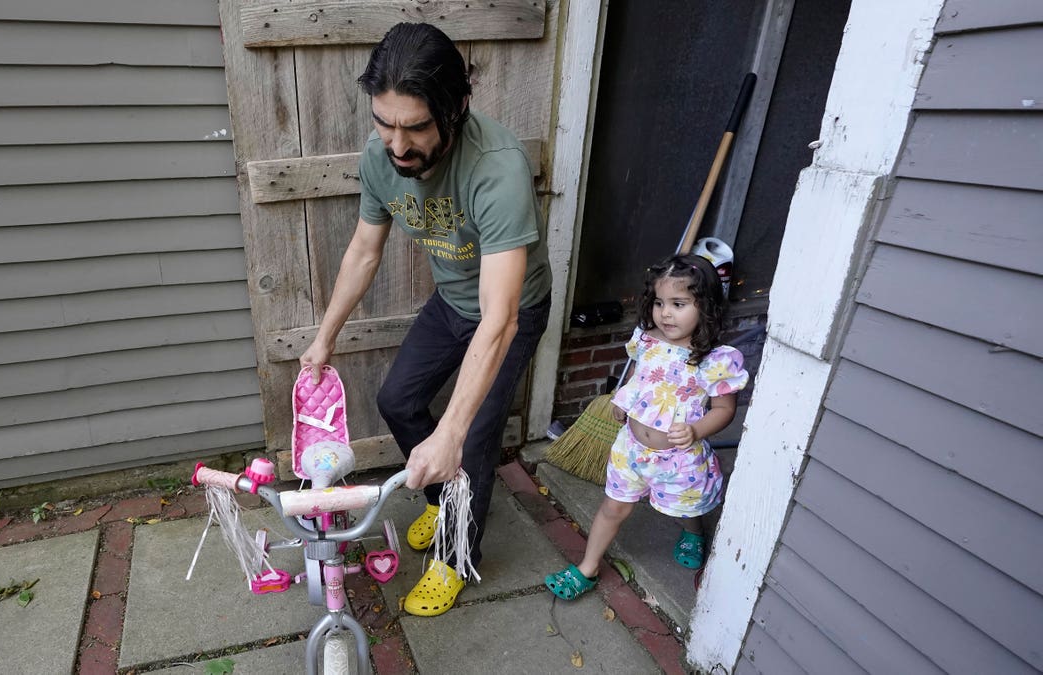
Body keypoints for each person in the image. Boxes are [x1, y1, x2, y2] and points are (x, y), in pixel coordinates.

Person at [298, 22, 552, 617]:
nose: (397, 145)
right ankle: (444, 498)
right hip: (451, 303)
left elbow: (500, 319)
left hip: (508, 313)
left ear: (457, 108)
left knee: (474, 441)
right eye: (384, 123)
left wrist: (454, 432)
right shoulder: (380, 155)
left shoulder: (498, 169)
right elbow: (364, 250)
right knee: (397, 400)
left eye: (415, 127)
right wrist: (323, 338)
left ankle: (455, 555)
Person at [544, 254, 748, 600]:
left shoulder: (716, 360)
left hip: (678, 458)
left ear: (707, 306)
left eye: (678, 303)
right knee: (613, 507)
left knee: (685, 507)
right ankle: (587, 567)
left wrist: (697, 430)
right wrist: (625, 401)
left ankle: (693, 531)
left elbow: (725, 409)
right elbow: (644, 379)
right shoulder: (648, 340)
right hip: (632, 451)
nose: (665, 313)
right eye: (659, 302)